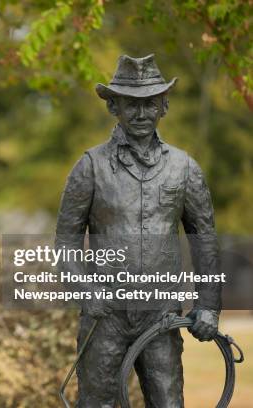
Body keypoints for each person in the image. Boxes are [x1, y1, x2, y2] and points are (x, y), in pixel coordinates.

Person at [55, 54, 221, 407]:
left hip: (161, 317)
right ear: (114, 105)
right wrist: (86, 290)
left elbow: (204, 239)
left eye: (150, 104)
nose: (141, 114)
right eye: (131, 104)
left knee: (167, 402)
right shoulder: (90, 167)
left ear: (165, 105)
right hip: (105, 319)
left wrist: (208, 306)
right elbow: (65, 243)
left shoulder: (184, 168)